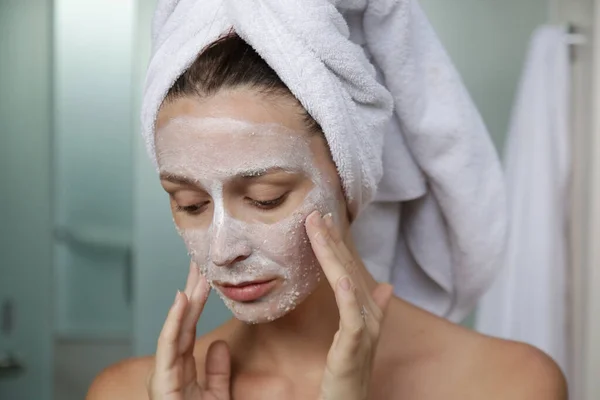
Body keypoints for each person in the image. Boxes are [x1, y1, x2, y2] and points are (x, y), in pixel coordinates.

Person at [86, 34, 567, 400]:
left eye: (265, 197)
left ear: (347, 176)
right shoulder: (128, 391)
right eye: (190, 204)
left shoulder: (507, 383)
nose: (220, 250)